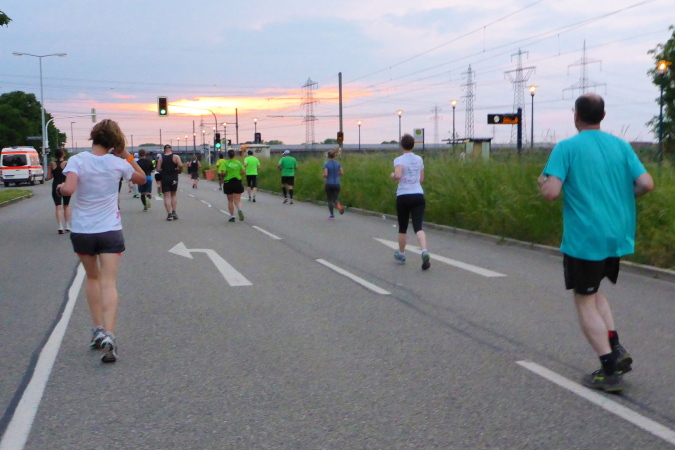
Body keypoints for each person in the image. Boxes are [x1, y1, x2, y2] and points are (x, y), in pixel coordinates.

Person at [539, 93, 654, 393]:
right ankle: (615, 347)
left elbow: (551, 192)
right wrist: (625, 197)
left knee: (584, 298)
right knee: (593, 290)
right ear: (602, 116)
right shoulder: (621, 146)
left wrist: (543, 182)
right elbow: (646, 183)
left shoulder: (566, 148)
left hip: (586, 237)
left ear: (576, 115)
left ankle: (609, 370)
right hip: (617, 233)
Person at [57, 119, 146, 363]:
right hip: (110, 230)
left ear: (93, 136)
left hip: (83, 231)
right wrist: (127, 156)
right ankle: (110, 334)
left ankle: (96, 329)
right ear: (115, 141)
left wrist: (61, 188)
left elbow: (69, 189)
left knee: (92, 278)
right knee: (109, 283)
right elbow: (141, 178)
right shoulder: (118, 163)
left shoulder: (78, 160)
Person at [390, 134, 430, 271]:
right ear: (413, 145)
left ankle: (401, 254)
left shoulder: (399, 160)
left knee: (403, 227)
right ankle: (424, 251)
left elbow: (398, 175)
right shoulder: (419, 159)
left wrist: (393, 176)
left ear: (402, 145)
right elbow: (421, 179)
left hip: (403, 195)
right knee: (418, 226)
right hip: (418, 194)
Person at [45, 148, 71, 234]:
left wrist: (48, 177)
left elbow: (49, 177)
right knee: (66, 206)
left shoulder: (52, 164)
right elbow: (70, 175)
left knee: (58, 207)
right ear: (63, 154)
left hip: (55, 186)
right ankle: (67, 225)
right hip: (65, 185)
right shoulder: (67, 163)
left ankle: (60, 226)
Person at [157, 144, 183, 221]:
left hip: (165, 177)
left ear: (164, 150)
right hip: (174, 177)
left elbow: (158, 169)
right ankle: (174, 211)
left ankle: (169, 214)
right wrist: (179, 171)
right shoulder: (175, 157)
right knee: (173, 194)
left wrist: (163, 170)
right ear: (171, 149)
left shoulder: (161, 158)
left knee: (166, 196)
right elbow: (180, 165)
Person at [222, 149, 246, 222]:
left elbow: (223, 172)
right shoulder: (238, 162)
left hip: (228, 182)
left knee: (230, 200)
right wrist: (239, 174)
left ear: (228, 155)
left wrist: (223, 175)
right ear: (234, 155)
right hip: (237, 181)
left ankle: (232, 216)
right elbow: (243, 171)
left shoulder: (225, 163)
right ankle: (240, 209)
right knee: (237, 200)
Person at [323, 147, 344, 219]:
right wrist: (336, 174)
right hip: (337, 183)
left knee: (330, 199)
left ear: (328, 156)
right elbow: (341, 172)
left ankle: (332, 215)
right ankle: (339, 206)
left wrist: (324, 176)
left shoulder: (326, 164)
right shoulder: (338, 163)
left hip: (329, 183)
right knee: (335, 198)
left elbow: (326, 175)